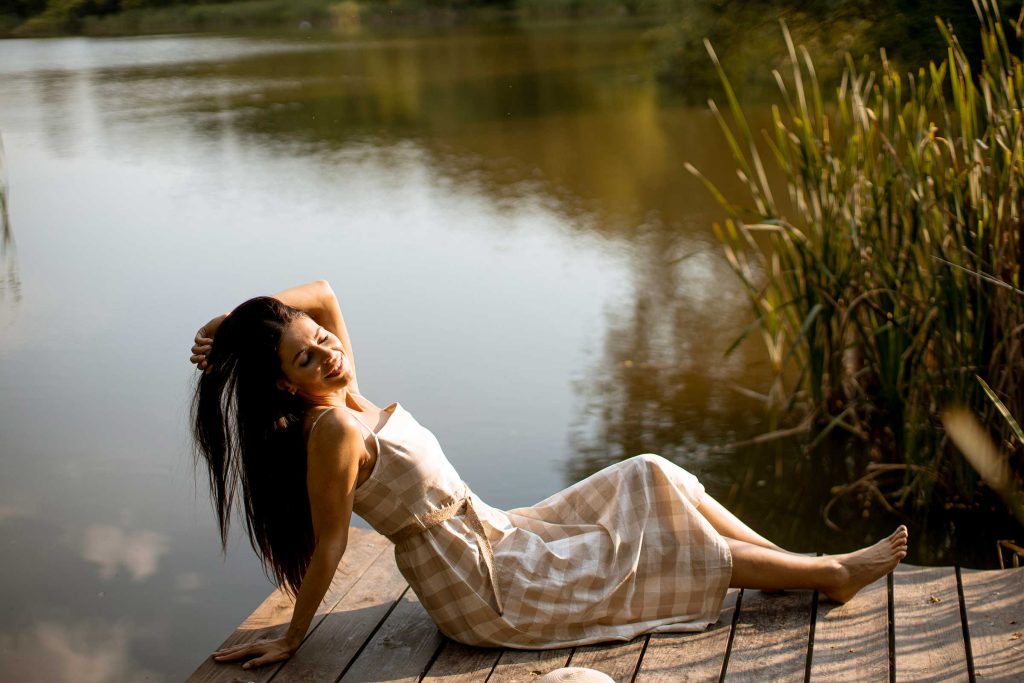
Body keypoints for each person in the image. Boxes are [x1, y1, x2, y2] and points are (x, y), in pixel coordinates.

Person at [190, 280, 909, 671]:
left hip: (497, 529)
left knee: (651, 473)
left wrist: (233, 326)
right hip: (482, 584)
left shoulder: (348, 394)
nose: (329, 352)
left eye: (321, 343)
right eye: (307, 359)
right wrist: (292, 637)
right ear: (285, 387)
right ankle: (826, 572)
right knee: (651, 551)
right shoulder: (337, 428)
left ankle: (803, 564)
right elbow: (331, 546)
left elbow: (321, 291)